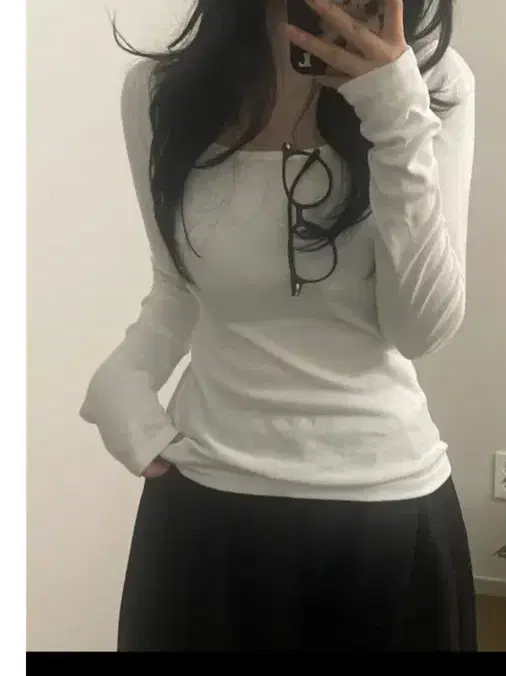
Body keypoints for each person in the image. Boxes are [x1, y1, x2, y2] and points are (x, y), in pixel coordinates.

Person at [80, 0, 477, 652]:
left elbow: (420, 330)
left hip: (385, 513)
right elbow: (177, 286)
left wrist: (395, 115)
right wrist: (124, 377)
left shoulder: (434, 82)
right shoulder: (161, 95)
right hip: (204, 503)